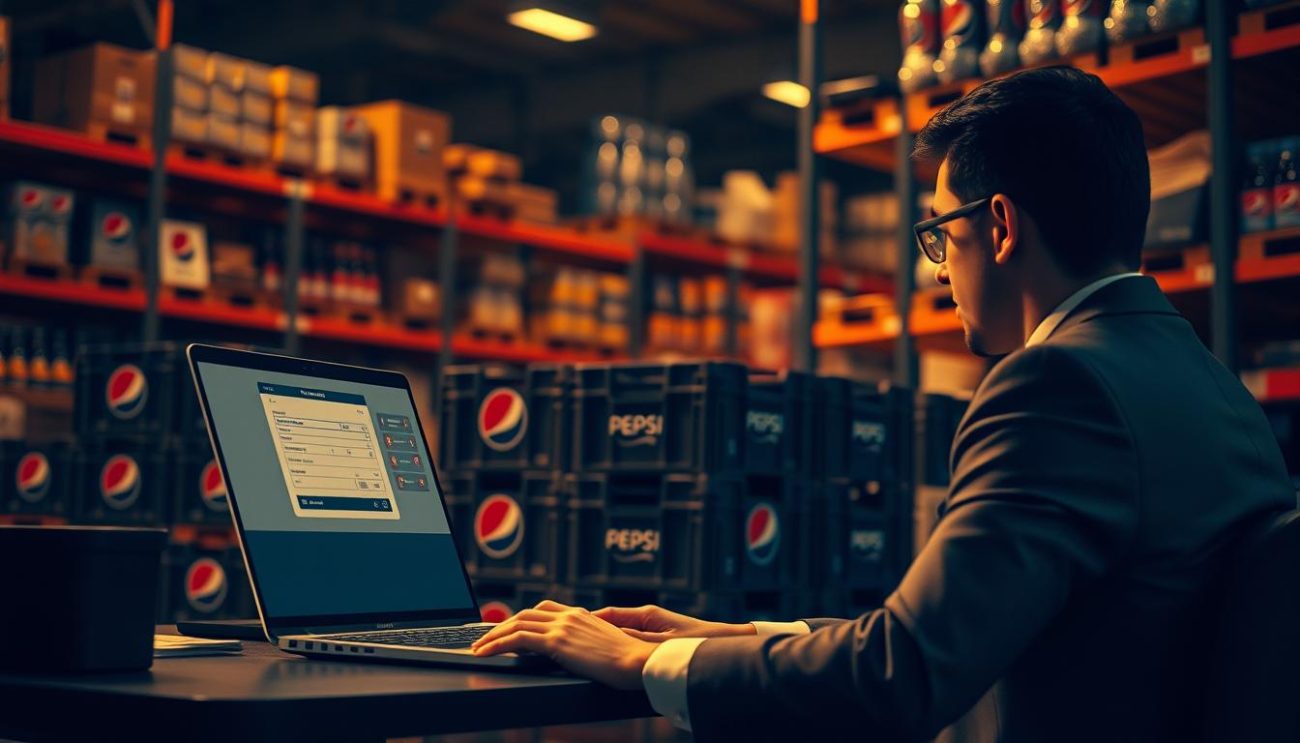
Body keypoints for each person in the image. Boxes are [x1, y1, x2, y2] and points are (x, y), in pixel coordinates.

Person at [471, 66, 1295, 742]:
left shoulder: (1058, 388)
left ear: (1000, 226)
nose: (937, 269)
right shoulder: (1204, 381)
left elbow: (902, 680)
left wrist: (641, 665)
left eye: (940, 233)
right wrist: (722, 640)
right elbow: (964, 636)